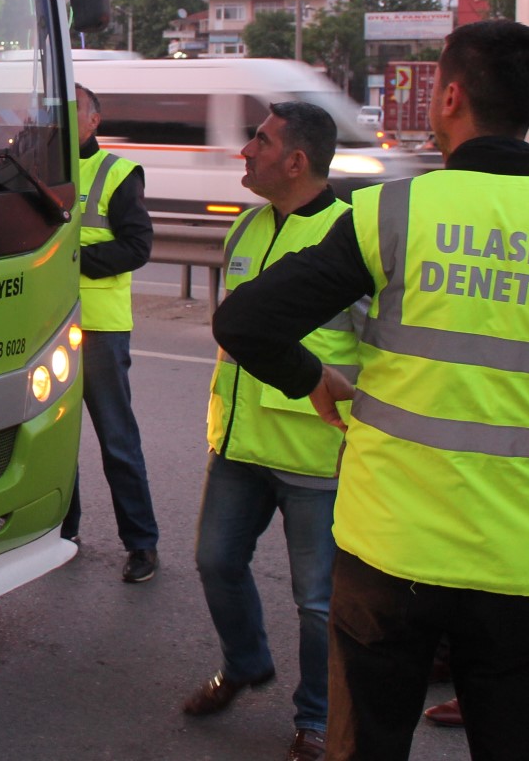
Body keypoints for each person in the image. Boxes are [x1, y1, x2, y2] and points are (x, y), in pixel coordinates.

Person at [212, 20, 529, 761]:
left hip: (389, 552)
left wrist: (315, 378)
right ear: (528, 106)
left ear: (448, 97)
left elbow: (245, 321)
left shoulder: (393, 213)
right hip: (524, 565)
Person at [184, 102, 354, 761]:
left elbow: (376, 348)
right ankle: (246, 663)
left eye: (259, 140)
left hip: (316, 455)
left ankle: (315, 719)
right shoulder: (246, 229)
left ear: (296, 160)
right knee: (216, 562)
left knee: (317, 602)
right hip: (238, 443)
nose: (245, 151)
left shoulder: (352, 235)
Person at [62, 84, 161, 583]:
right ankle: (62, 533)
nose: (61, 116)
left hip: (99, 327)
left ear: (94, 121)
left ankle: (141, 544)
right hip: (45, 324)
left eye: (72, 108)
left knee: (116, 440)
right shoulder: (37, 170)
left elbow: (137, 247)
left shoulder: (116, 172)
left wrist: (70, 263)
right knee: (56, 439)